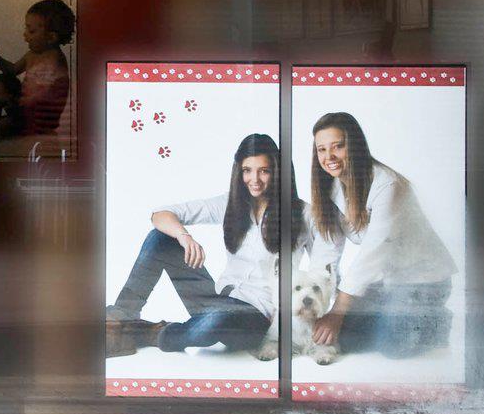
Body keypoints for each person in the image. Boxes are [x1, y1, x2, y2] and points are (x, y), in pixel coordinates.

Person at [106, 133, 330, 357]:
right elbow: (160, 214)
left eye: (264, 171)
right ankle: (117, 321)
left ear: (277, 172)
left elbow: (323, 268)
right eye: (247, 170)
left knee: (217, 319)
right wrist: (184, 237)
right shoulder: (230, 203)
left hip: (258, 316)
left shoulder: (303, 214)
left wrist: (324, 316)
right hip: (218, 299)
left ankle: (151, 333)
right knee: (160, 238)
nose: (255, 179)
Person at [307, 111, 457, 359]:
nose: (328, 156)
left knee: (392, 346)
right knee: (344, 338)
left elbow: (373, 253)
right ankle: (391, 314)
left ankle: (437, 321)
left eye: (338, 146)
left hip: (423, 280)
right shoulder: (331, 187)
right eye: (321, 149)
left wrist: (338, 311)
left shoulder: (388, 185)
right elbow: (326, 250)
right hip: (386, 281)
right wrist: (314, 299)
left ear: (354, 146)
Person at [0, 0, 74, 138]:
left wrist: (12, 100)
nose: (25, 36)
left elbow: (46, 94)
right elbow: (12, 70)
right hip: (26, 110)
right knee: (1, 84)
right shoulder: (31, 54)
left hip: (40, 116)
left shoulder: (54, 60)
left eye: (31, 31)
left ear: (51, 37)